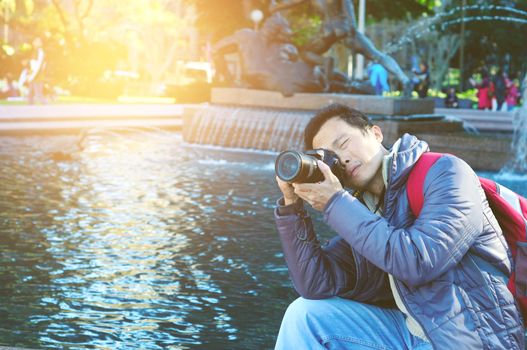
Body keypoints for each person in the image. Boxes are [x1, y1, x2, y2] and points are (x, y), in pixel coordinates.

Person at [273, 103, 523, 349]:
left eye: (344, 143)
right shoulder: (362, 210)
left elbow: (418, 261)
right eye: (331, 157)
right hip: (405, 332)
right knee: (304, 314)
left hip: (468, 338)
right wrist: (291, 206)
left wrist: (335, 202)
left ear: (376, 133)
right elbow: (315, 283)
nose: (343, 158)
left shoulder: (446, 172)